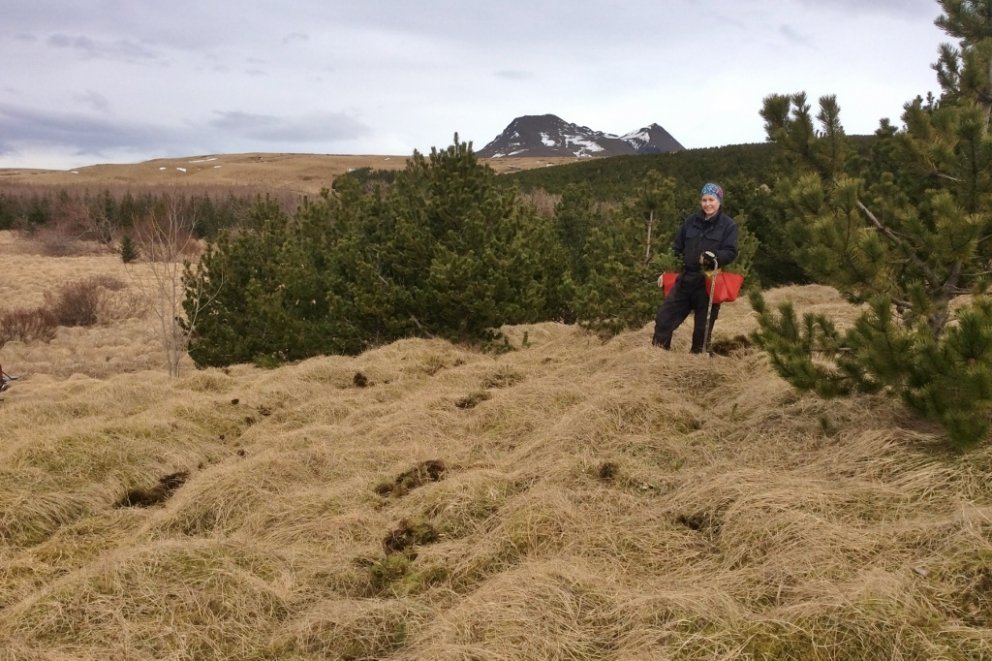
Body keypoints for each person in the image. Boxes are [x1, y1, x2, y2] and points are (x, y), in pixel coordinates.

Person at [652, 182, 739, 353]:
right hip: (685, 280)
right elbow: (677, 249)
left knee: (702, 331)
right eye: (704, 200)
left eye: (711, 200)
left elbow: (731, 251)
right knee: (664, 320)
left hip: (709, 282)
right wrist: (667, 271)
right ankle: (658, 357)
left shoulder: (728, 225)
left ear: (719, 201)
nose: (707, 204)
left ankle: (696, 362)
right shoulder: (690, 222)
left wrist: (714, 257)